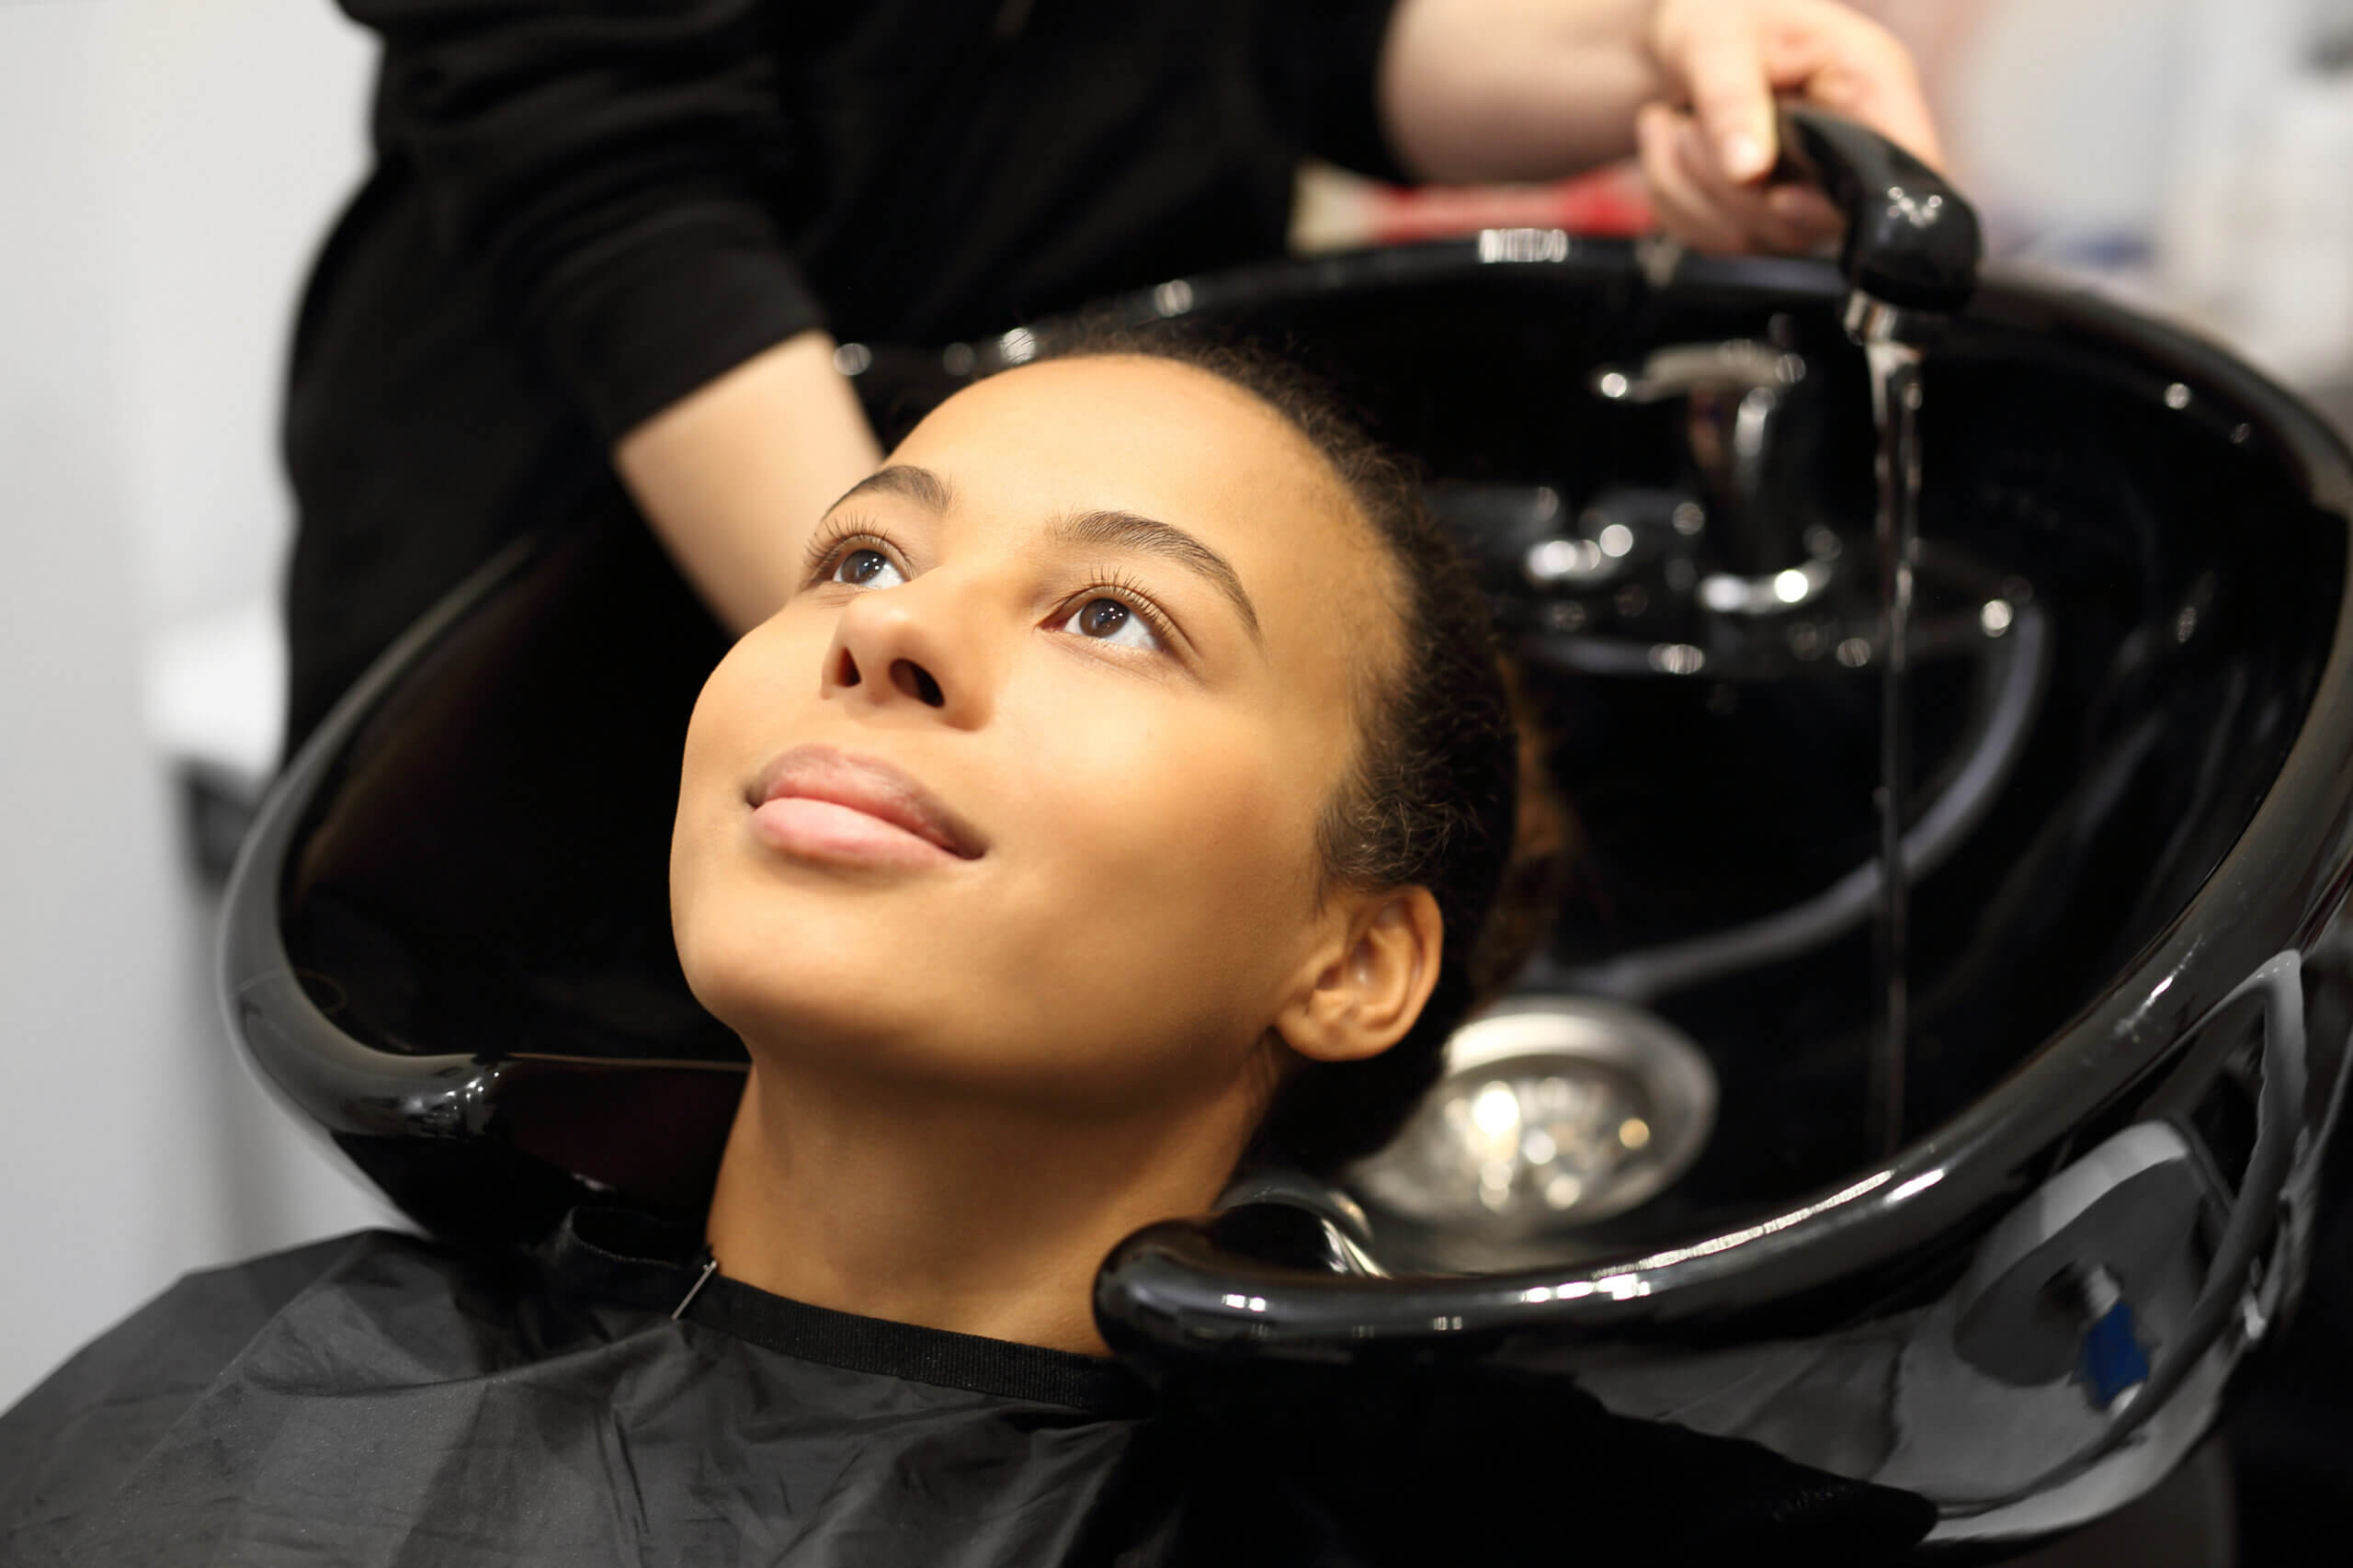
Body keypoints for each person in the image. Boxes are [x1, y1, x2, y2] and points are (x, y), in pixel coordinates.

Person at [0, 339, 1933, 1565]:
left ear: (1350, 958)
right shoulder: (256, 1369)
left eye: (1112, 616)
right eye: (856, 556)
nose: (883, 636)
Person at [283, 0, 1942, 754]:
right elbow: (624, 208)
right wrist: (951, 661)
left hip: (1030, 607)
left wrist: (1665, 54)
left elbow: (1307, 43)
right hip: (602, 618)